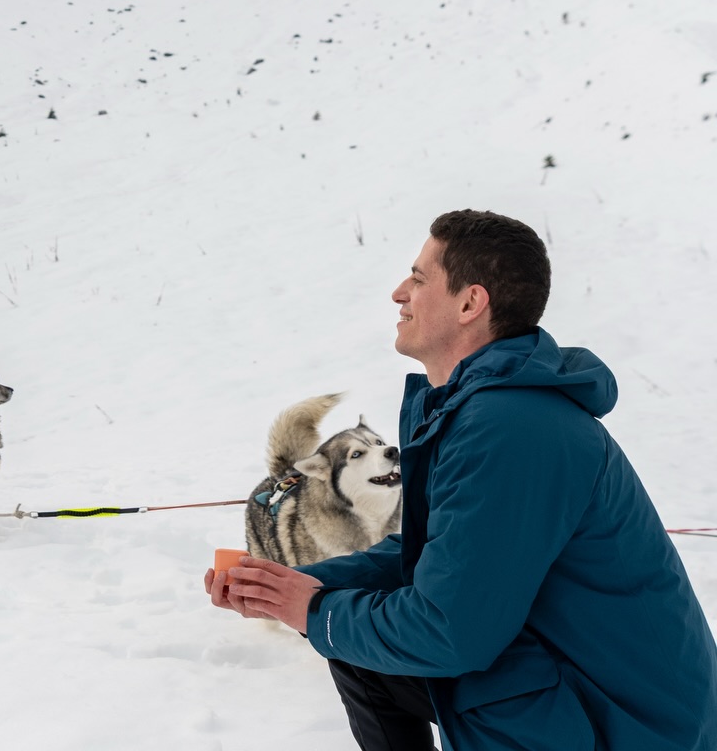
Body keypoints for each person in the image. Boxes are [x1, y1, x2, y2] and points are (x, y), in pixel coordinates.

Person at [206, 208, 717, 751]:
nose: (399, 293)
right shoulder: (484, 410)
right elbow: (440, 553)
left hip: (625, 722)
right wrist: (293, 585)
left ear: (470, 304)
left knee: (361, 633)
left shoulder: (510, 428)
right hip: (581, 686)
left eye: (419, 279)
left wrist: (313, 611)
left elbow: (450, 632)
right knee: (361, 645)